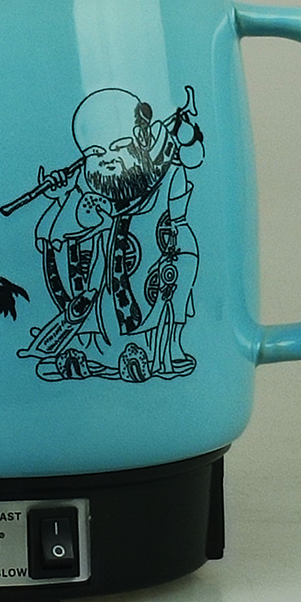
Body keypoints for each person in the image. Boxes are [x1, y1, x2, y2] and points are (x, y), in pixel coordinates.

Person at [15, 87, 204, 382]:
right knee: (95, 304)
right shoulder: (87, 185)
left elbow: (191, 164)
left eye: (119, 146)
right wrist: (60, 196)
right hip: (105, 275)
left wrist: (187, 135)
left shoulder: (166, 173)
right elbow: (62, 229)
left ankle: (157, 354)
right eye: (95, 152)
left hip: (156, 264)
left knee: (170, 284)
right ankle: (91, 356)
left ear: (141, 138)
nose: (107, 159)